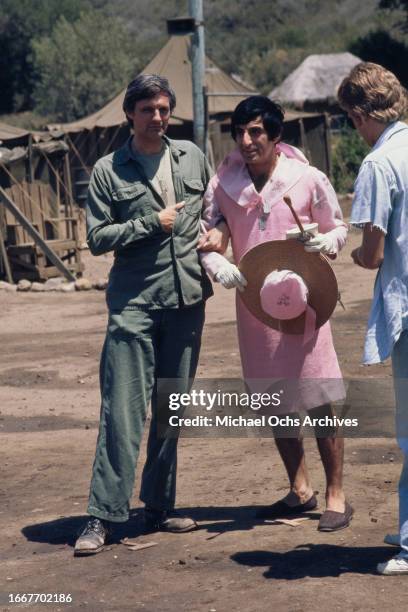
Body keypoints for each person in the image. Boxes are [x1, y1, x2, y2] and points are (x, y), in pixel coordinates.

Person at [74, 74, 218, 556]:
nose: (157, 118)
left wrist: (216, 237)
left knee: (170, 411)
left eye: (163, 109)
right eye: (147, 110)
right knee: (122, 411)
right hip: (134, 304)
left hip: (186, 302)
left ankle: (159, 505)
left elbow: (210, 213)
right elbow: (96, 239)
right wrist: (147, 223)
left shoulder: (192, 157)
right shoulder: (109, 170)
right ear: (130, 114)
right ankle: (103, 515)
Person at [200, 96, 352, 531]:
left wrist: (327, 243)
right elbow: (209, 238)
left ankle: (335, 494)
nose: (246, 142)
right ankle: (299, 488)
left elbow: (337, 226)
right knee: (275, 401)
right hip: (255, 309)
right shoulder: (223, 183)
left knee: (321, 400)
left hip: (306, 305)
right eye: (240, 133)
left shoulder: (307, 178)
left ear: (275, 136)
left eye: (256, 133)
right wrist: (219, 266)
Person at [338, 62, 408, 574]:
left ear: (362, 113)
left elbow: (374, 252)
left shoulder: (379, 164)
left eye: (351, 119)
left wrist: (348, 255)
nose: (354, 129)